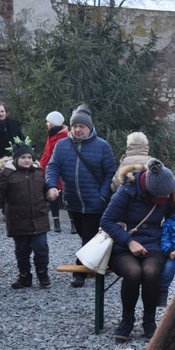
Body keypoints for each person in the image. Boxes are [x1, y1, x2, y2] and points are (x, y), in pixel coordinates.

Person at [101, 158, 175, 341]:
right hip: (123, 243)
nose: (167, 199)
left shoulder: (168, 192)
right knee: (133, 272)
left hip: (153, 243)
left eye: (169, 195)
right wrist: (129, 242)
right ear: (150, 191)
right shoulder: (127, 191)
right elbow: (106, 221)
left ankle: (149, 321)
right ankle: (127, 320)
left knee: (150, 271)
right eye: (162, 197)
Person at [45, 104, 116, 288]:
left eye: (82, 126)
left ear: (89, 127)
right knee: (85, 235)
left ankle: (81, 272)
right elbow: (53, 167)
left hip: (95, 201)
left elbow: (110, 173)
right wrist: (52, 185)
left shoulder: (102, 146)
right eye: (75, 126)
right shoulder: (62, 145)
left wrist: (102, 195)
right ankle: (98, 263)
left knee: (88, 235)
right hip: (73, 201)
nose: (78, 129)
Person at [0, 141, 52, 289]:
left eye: (29, 157)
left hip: (38, 219)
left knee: (41, 248)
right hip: (18, 220)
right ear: (15, 159)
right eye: (23, 157)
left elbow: (44, 192)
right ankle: (24, 276)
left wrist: (50, 194)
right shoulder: (7, 175)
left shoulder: (39, 173)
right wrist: (2, 178)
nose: (27, 160)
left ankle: (42, 273)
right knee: (22, 251)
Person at [40, 111, 75, 234]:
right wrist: (42, 167)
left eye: (48, 122)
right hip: (52, 169)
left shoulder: (64, 136)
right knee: (52, 195)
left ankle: (73, 223)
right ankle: (56, 222)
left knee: (67, 196)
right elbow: (47, 153)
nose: (47, 124)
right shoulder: (52, 135)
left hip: (62, 170)